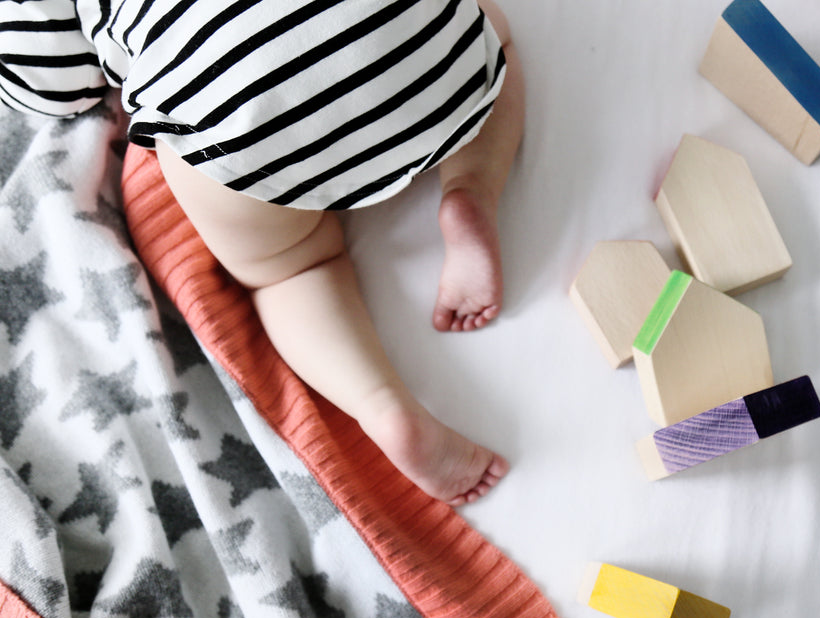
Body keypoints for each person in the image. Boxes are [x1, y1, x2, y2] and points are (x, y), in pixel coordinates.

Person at [1, 0, 524, 506]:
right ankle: (471, 186)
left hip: (234, 109)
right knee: (492, 43)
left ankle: (385, 406)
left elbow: (47, 82)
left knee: (292, 266)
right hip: (394, 32)